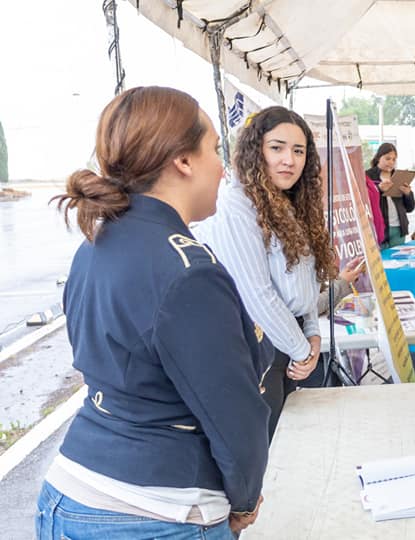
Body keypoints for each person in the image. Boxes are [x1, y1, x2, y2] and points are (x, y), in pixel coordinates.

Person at [37, 86, 270, 539]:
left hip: (68, 493)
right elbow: (236, 415)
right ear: (183, 161)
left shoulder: (95, 244)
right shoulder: (187, 271)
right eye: (215, 150)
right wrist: (243, 502)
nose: (223, 169)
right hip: (154, 511)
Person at [195, 106, 337, 440]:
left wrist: (313, 332)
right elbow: (256, 295)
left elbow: (306, 284)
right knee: (273, 456)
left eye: (298, 150)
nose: (289, 159)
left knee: (303, 448)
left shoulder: (291, 204)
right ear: (255, 150)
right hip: (263, 353)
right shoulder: (236, 205)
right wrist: (303, 350)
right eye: (277, 148)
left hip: (296, 344)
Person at [367, 142, 415, 248]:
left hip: (398, 228)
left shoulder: (399, 177)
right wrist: (378, 189)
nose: (391, 162)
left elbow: (410, 208)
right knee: (381, 262)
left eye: (394, 159)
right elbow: (364, 202)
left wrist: (408, 194)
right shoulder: (368, 176)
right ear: (379, 157)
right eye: (387, 158)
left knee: (398, 261)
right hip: (379, 229)